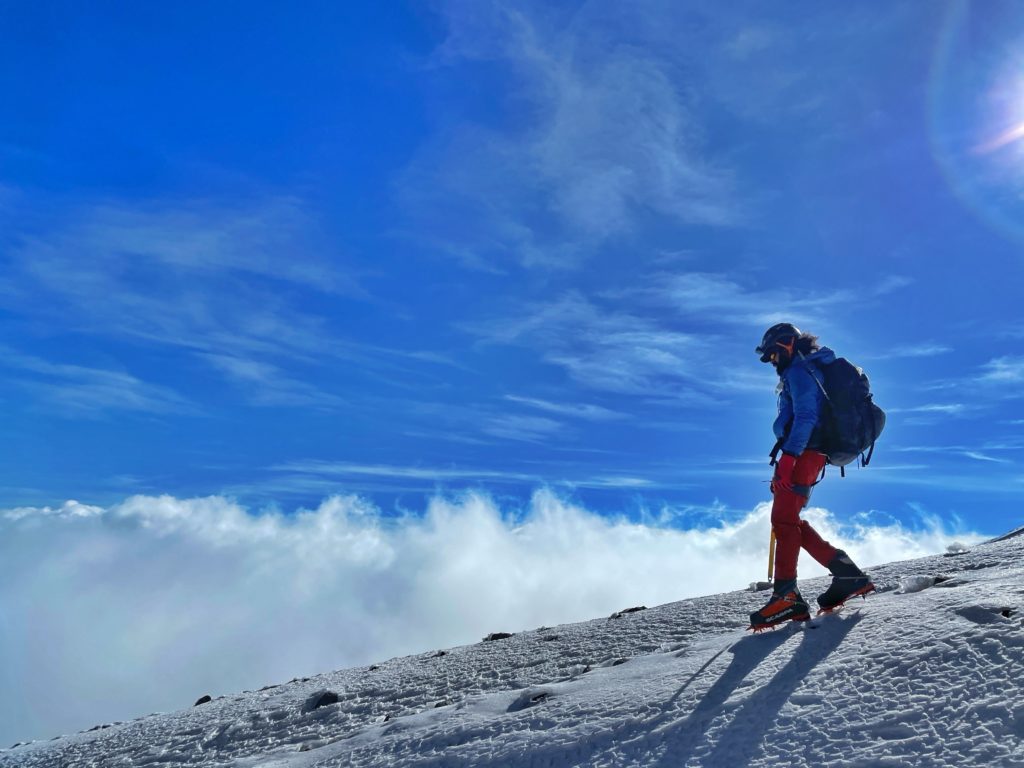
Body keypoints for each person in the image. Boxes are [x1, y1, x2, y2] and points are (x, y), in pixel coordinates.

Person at [749, 323, 874, 630]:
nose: (772, 362)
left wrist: (789, 459)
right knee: (790, 520)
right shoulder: (809, 369)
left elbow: (806, 416)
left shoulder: (800, 371)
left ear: (788, 344)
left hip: (802, 454)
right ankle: (846, 574)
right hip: (807, 454)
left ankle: (786, 596)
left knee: (783, 521)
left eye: (774, 355)